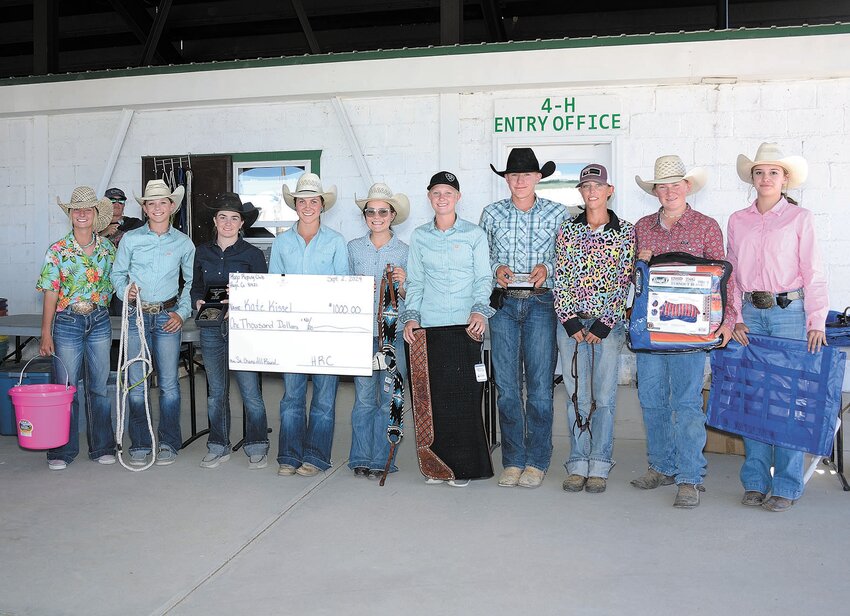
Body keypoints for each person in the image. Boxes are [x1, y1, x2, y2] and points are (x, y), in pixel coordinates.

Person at [728, 142, 827, 512]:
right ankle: (755, 480)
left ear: (785, 179)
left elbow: (814, 271)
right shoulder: (738, 220)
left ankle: (786, 484)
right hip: (751, 315)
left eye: (773, 172)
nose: (765, 178)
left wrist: (816, 319)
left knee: (786, 398)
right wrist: (734, 315)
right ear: (752, 179)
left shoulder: (800, 219)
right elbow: (732, 273)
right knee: (753, 396)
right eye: (759, 172)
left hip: (789, 313)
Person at [631, 155, 734, 508]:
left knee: (687, 403)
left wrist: (728, 321)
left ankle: (690, 476)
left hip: (692, 334)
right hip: (653, 332)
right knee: (651, 400)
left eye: (676, 184)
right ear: (655, 191)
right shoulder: (642, 227)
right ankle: (661, 465)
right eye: (663, 185)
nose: (670, 191)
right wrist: (639, 264)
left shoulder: (706, 226)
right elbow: (635, 282)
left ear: (687, 187)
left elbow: (723, 280)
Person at [479, 148, 567, 489]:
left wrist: (550, 268)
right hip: (503, 305)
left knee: (541, 387)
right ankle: (513, 459)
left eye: (526, 175)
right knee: (507, 388)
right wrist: (494, 269)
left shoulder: (558, 214)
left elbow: (569, 257)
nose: (520, 181)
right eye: (513, 175)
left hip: (541, 303)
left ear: (538, 178)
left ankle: (538, 460)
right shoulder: (491, 214)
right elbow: (481, 257)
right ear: (505, 178)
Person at [402, 171, 496, 487]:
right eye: (437, 193)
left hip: (465, 325)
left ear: (457, 197)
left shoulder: (474, 235)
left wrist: (480, 311)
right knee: (435, 398)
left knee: (466, 397)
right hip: (429, 326)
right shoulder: (419, 236)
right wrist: (411, 316)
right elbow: (415, 281)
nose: (442, 198)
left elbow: (484, 279)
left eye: (448, 193)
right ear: (429, 197)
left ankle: (465, 467)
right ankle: (438, 466)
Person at [554, 164, 635, 494]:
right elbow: (562, 276)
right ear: (581, 192)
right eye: (585, 186)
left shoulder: (624, 231)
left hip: (607, 324)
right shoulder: (567, 230)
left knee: (603, 396)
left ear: (609, 190)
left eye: (597, 186)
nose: (591, 192)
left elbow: (624, 278)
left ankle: (599, 462)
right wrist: (570, 320)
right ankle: (577, 462)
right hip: (572, 322)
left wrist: (604, 324)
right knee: (576, 394)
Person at [268, 173, 349, 477]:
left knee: (324, 398)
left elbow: (344, 286)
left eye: (313, 200)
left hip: (326, 332)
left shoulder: (335, 242)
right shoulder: (282, 243)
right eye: (302, 201)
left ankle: (315, 456)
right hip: (292, 332)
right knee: (291, 396)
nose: (307, 206)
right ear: (295, 205)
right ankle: (288, 455)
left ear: (321, 205)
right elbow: (274, 286)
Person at [110, 179, 195, 466]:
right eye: (151, 203)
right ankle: (141, 442)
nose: (157, 208)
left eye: (163, 202)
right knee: (136, 381)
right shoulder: (131, 240)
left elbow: (192, 282)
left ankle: (169, 441)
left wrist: (181, 313)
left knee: (169, 382)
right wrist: (126, 291)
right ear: (145, 208)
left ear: (172, 206)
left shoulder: (184, 242)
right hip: (136, 316)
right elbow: (117, 275)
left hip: (166, 316)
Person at [36, 187, 116, 470]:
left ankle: (102, 447)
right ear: (70, 215)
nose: (82, 214)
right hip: (67, 322)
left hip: (100, 322)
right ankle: (61, 451)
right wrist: (46, 332)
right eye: (76, 209)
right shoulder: (57, 250)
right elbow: (50, 291)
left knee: (99, 387)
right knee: (66, 388)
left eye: (87, 209)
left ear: (96, 215)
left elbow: (117, 281)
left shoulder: (108, 249)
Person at [191, 192, 270, 470]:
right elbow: (196, 287)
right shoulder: (202, 252)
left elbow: (263, 293)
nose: (227, 222)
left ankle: (257, 443)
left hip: (244, 329)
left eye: (233, 218)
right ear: (215, 220)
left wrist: (242, 299)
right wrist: (197, 301)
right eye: (222, 217)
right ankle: (218, 444)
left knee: (250, 391)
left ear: (241, 223)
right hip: (212, 327)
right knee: (216, 392)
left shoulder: (253, 255)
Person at [347, 183, 409, 479]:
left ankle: (384, 457)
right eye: (370, 211)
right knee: (363, 399)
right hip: (361, 333)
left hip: (392, 333)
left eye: (383, 211)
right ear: (365, 216)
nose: (376, 216)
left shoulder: (406, 252)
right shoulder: (353, 248)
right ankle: (360, 455)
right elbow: (340, 290)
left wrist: (403, 284)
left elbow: (414, 295)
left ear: (392, 215)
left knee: (389, 397)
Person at [102, 187, 144, 318]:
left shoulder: (136, 224)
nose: (117, 203)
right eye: (112, 200)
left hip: (127, 282)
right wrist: (103, 233)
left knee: (126, 322)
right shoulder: (94, 228)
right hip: (102, 284)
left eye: (121, 200)